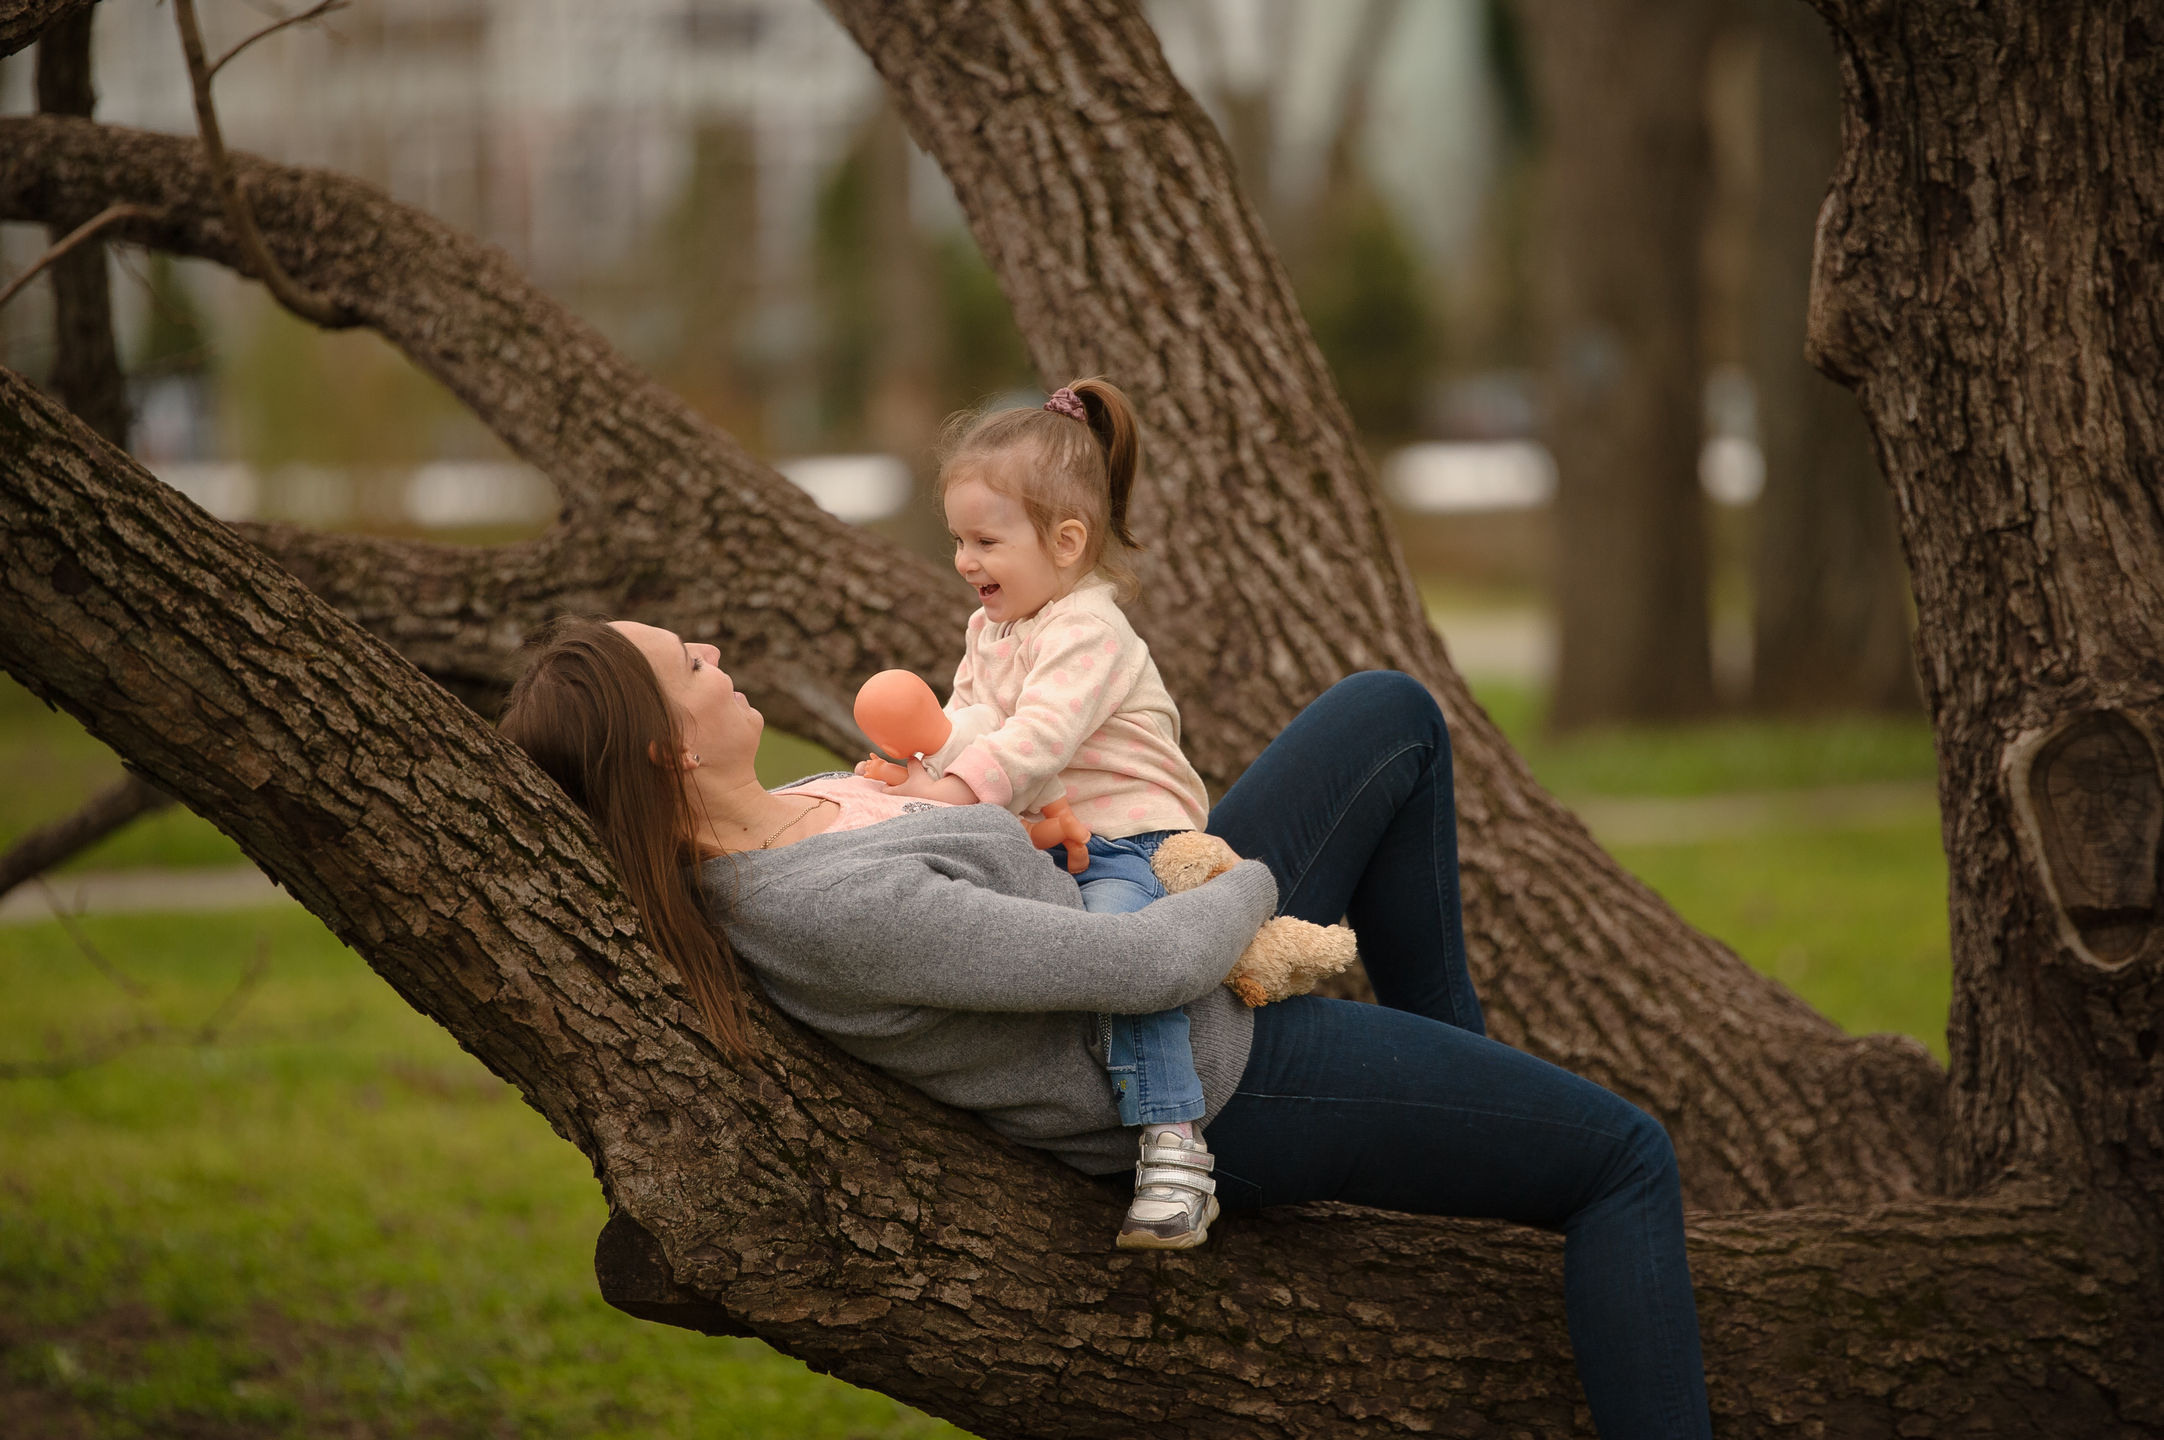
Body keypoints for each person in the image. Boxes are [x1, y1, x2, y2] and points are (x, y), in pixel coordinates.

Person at [499, 619, 1713, 1439]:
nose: (713, 650)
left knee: (1389, 715)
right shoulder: (819, 907)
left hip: (1154, 928)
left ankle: (1478, 1091)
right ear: (668, 745)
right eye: (687, 664)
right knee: (1621, 1160)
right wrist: (1248, 886)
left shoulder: (801, 807)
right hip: (1212, 1075)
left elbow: (996, 874)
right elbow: (1141, 968)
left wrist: (1044, 833)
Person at [847, 376, 1227, 1251]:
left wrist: (952, 791)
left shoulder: (1088, 628)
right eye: (958, 540)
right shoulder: (995, 629)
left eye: (986, 540)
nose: (965, 561)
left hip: (1132, 834)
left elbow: (1037, 739)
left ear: (1066, 540)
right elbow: (967, 725)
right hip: (1049, 833)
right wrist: (917, 768)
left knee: (1117, 956)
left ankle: (1176, 1145)